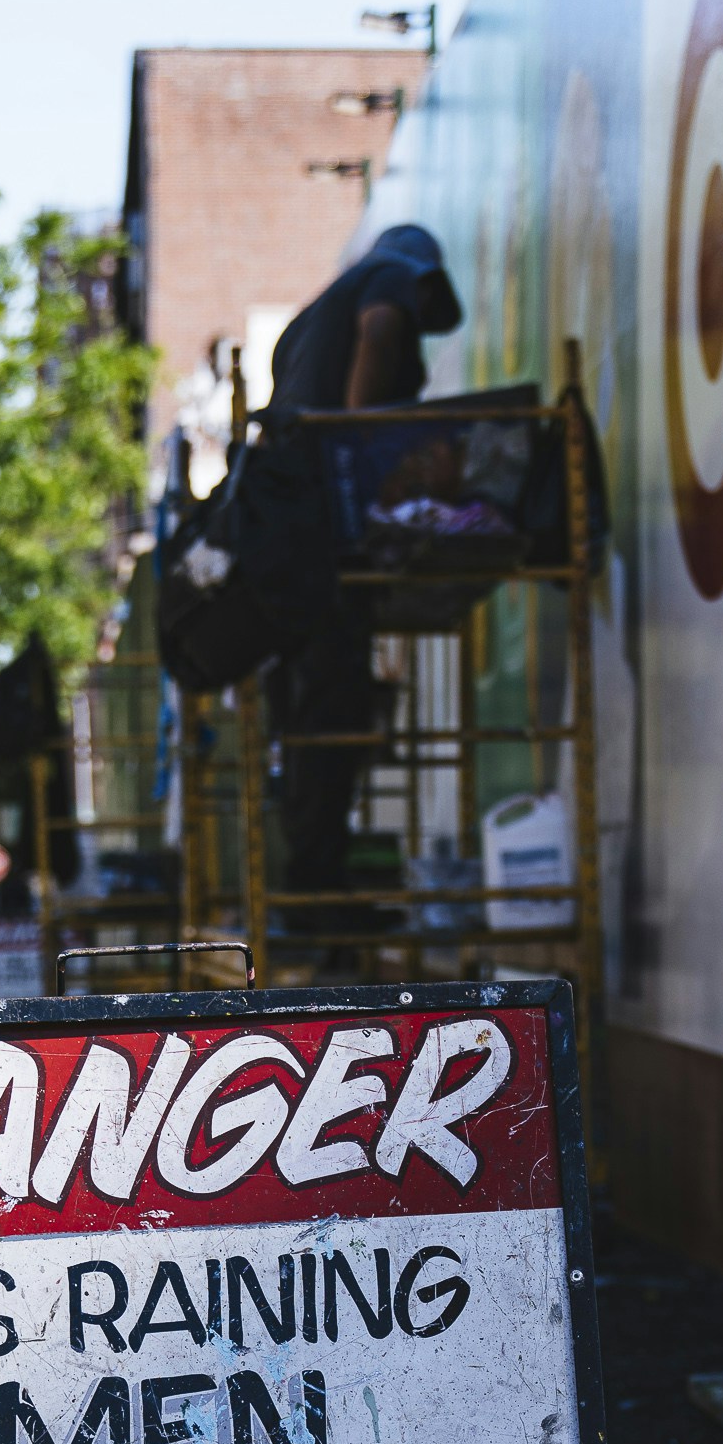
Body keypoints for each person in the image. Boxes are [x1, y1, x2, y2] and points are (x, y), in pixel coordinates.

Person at [259, 225, 463, 925]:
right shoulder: (388, 277)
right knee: (331, 706)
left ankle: (315, 882)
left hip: (283, 527)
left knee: (311, 710)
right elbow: (380, 333)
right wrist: (361, 446)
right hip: (319, 525)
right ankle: (316, 894)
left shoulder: (308, 321)